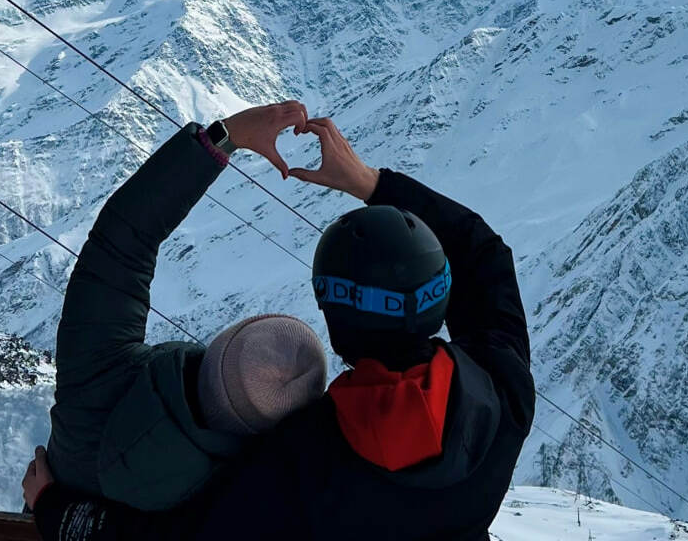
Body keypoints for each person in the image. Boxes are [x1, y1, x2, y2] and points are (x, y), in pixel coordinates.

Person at [27, 114, 534, 541]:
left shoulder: (301, 464)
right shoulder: (503, 389)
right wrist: (368, 181)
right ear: (440, 294)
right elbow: (484, 255)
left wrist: (52, 507)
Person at [21, 101, 329, 524]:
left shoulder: (98, 370)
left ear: (220, 346)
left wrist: (226, 136)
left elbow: (123, 240)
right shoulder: (239, 504)